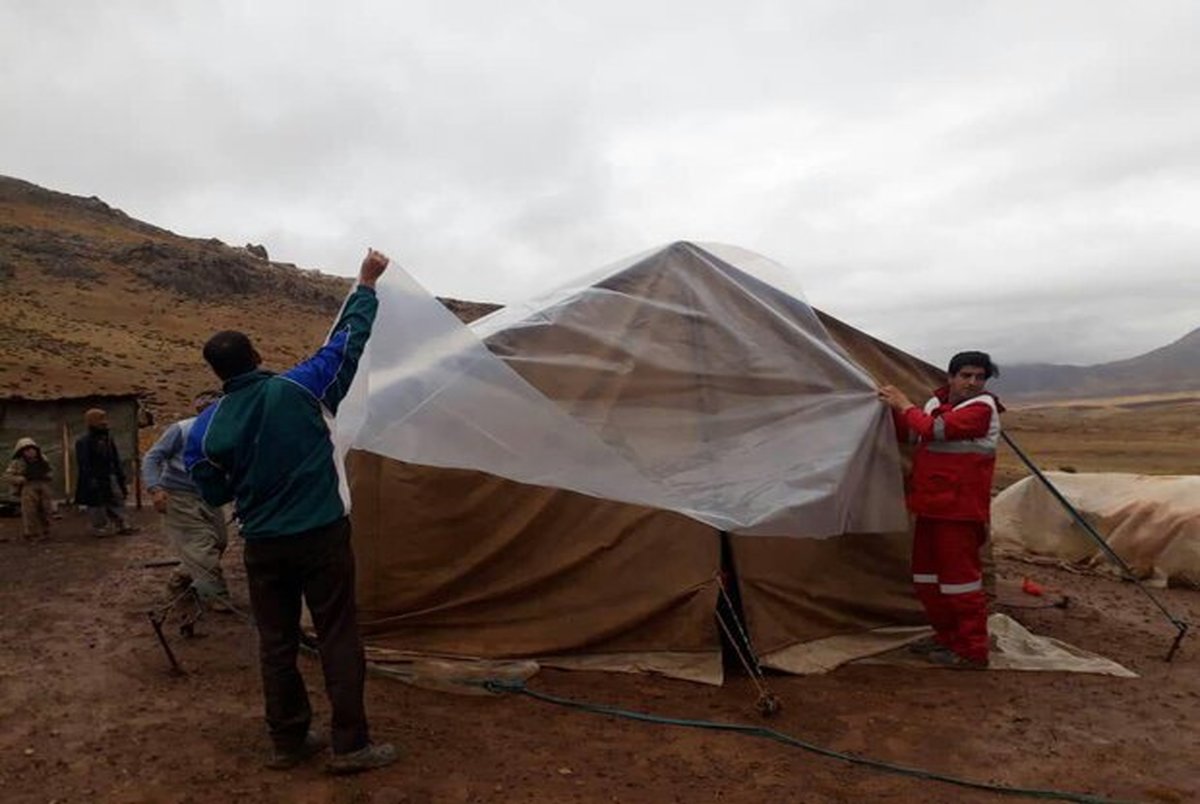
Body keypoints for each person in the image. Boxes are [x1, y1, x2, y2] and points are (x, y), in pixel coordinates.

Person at [185, 248, 396, 774]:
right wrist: (366, 284)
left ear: (217, 373)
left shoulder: (205, 428)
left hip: (264, 546)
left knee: (276, 642)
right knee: (338, 634)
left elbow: (210, 492)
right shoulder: (302, 387)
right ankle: (351, 745)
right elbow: (348, 342)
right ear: (257, 357)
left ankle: (287, 740)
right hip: (322, 536)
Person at [877, 351, 1004, 669]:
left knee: (960, 582)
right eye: (966, 375)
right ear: (950, 377)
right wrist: (887, 410)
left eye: (979, 377)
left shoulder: (982, 409)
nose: (973, 382)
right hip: (932, 505)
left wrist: (904, 405)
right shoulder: (935, 404)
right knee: (927, 579)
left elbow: (934, 430)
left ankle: (973, 651)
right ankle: (948, 638)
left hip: (960, 511)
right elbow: (911, 433)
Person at [142, 391, 231, 608]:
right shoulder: (182, 429)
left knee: (219, 542)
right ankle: (215, 597)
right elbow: (153, 457)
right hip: (180, 494)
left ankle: (180, 580)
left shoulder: (228, 430)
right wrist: (155, 489)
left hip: (210, 495)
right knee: (201, 547)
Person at [74, 408, 133, 537]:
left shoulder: (108, 439)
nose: (104, 423)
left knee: (116, 499)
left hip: (110, 475)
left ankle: (121, 524)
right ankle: (100, 528)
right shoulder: (83, 442)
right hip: (95, 477)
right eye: (100, 420)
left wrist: (119, 475)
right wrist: (90, 480)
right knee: (96, 504)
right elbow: (84, 463)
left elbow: (115, 458)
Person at [6, 437, 53, 542]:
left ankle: (46, 530)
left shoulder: (43, 459)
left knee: (46, 509)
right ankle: (31, 533)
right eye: (27, 450)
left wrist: (49, 475)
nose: (31, 452)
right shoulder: (17, 463)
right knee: (29, 510)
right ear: (22, 452)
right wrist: (20, 479)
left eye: (32, 449)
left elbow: (50, 470)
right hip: (28, 487)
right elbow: (8, 476)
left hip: (43, 485)